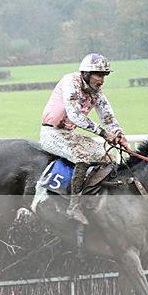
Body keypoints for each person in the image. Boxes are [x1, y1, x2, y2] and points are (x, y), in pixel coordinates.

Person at [40, 53, 128, 225]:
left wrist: (119, 134)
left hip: (69, 134)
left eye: (104, 75)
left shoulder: (97, 92)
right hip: (51, 134)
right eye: (98, 75)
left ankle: (92, 198)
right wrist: (104, 134)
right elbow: (75, 116)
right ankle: (73, 206)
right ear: (86, 73)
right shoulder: (70, 82)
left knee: (109, 157)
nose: (102, 80)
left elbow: (108, 117)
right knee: (83, 156)